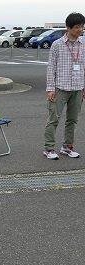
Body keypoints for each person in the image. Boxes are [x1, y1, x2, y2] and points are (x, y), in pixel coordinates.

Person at [43, 12, 85, 160]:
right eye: (77, 27)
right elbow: (51, 68)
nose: (80, 30)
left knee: (72, 120)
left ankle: (67, 147)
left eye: (82, 26)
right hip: (60, 87)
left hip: (78, 88)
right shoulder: (57, 44)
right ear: (68, 27)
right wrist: (50, 89)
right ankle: (49, 148)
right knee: (54, 119)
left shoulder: (83, 44)